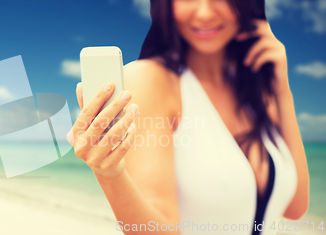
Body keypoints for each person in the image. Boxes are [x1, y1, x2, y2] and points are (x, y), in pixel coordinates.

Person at [68, 0, 310, 234]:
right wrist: (110, 173)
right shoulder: (149, 81)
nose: (204, 12)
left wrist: (282, 91)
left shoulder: (254, 91)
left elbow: (294, 206)